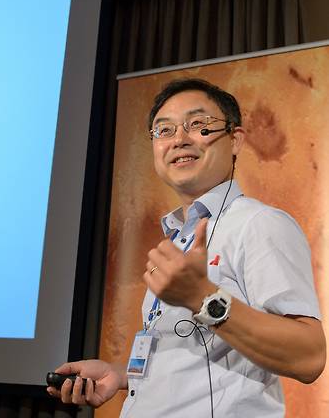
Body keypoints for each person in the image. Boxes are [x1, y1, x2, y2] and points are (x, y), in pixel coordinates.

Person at [48, 79, 326, 417]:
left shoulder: (259, 223)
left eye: (198, 125)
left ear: (235, 140)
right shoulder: (178, 236)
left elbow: (308, 357)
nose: (179, 139)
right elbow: (192, 352)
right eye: (164, 130)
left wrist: (203, 298)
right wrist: (121, 374)